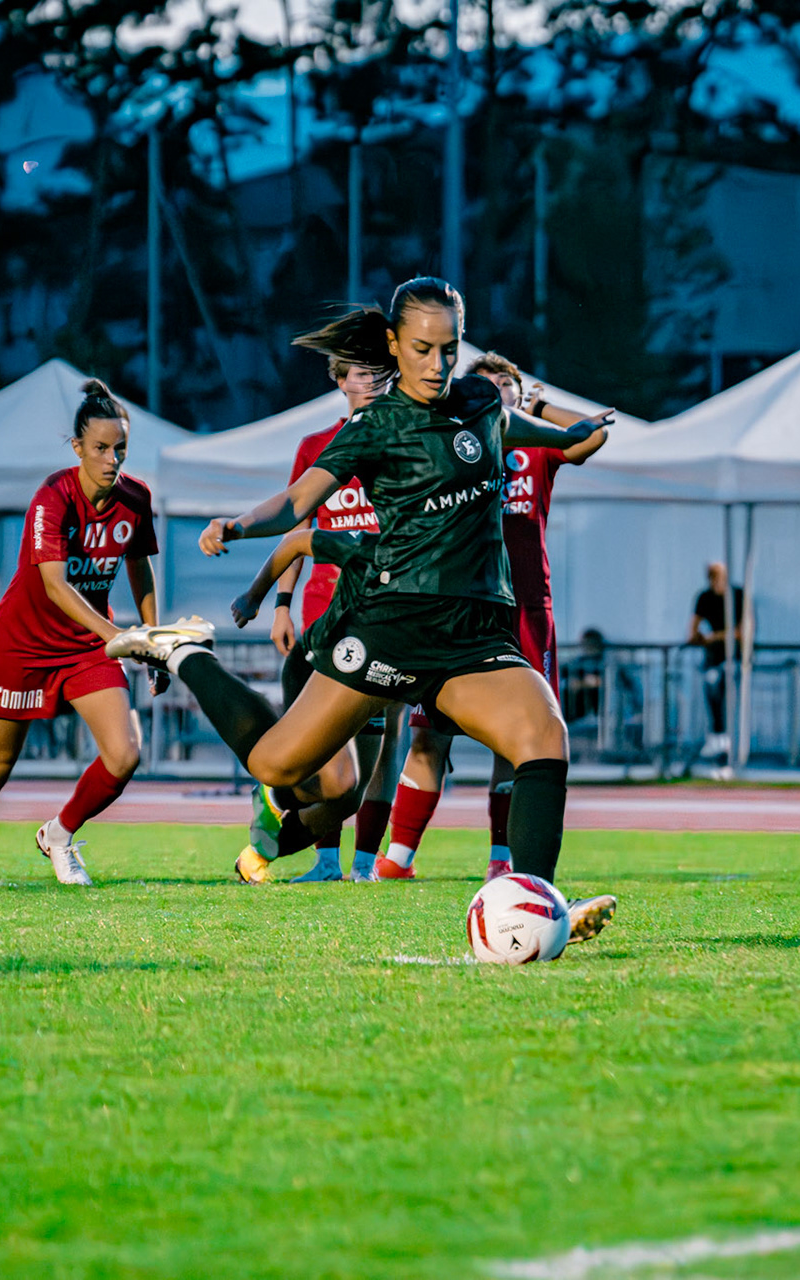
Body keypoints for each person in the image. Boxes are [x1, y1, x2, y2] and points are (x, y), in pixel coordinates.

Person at [105, 276, 619, 942]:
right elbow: (297, 503)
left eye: (450, 349)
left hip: (471, 635)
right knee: (277, 767)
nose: (437, 364)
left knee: (544, 737)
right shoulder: (374, 427)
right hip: (390, 625)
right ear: (393, 345)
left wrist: (574, 424)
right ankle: (186, 653)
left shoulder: (482, 405)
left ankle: (540, 905)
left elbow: (564, 441)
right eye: (422, 349)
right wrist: (238, 525)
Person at [377, 351, 607, 884]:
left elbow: (592, 436)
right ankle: (398, 857)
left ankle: (502, 857)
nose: (498, 390)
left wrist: (539, 406)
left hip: (524, 608)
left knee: (521, 733)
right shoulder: (454, 444)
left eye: (507, 383)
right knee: (428, 733)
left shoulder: (535, 448)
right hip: (459, 605)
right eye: (488, 384)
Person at [0, 379, 162, 886]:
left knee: (125, 755)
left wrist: (152, 638)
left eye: (120, 449)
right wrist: (119, 635)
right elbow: (55, 586)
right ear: (77, 447)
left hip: (87, 646)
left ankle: (59, 834)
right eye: (100, 448)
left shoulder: (136, 498)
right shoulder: (52, 497)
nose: (111, 460)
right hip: (26, 643)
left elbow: (139, 566)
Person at [241, 355, 401, 884]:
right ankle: (326, 860)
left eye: (378, 370)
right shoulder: (316, 446)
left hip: (393, 609)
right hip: (326, 612)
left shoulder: (407, 438)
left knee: (386, 740)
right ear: (338, 379)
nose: (370, 379)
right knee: (326, 743)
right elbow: (300, 527)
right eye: (358, 370)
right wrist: (281, 605)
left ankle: (364, 863)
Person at [689, 562, 746, 762]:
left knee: (724, 687)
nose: (716, 580)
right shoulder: (704, 597)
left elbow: (743, 631)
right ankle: (718, 736)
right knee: (712, 685)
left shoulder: (738, 595)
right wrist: (701, 638)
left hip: (734, 656)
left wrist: (714, 637)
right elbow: (692, 630)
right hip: (713, 658)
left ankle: (724, 738)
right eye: (712, 576)